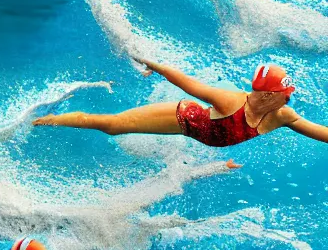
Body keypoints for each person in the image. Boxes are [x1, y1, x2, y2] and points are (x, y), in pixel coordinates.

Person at [33, 62, 328, 147]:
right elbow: (191, 85)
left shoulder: (282, 115)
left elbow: (320, 132)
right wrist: (154, 65)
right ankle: (45, 119)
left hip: (204, 135)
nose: (290, 96)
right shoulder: (231, 101)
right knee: (111, 126)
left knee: (113, 129)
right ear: (267, 94)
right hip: (184, 118)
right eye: (285, 91)